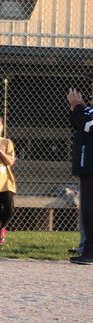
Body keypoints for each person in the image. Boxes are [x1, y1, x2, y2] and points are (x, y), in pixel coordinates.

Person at [67, 78, 93, 265]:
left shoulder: (86, 110)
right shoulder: (88, 108)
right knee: (87, 211)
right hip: (87, 167)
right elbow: (78, 122)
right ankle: (88, 251)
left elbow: (88, 125)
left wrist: (77, 106)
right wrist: (78, 108)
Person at [0, 115, 16, 247]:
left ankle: (2, 227)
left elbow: (10, 161)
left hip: (5, 183)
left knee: (9, 208)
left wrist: (0, 151)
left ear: (1, 127)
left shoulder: (6, 142)